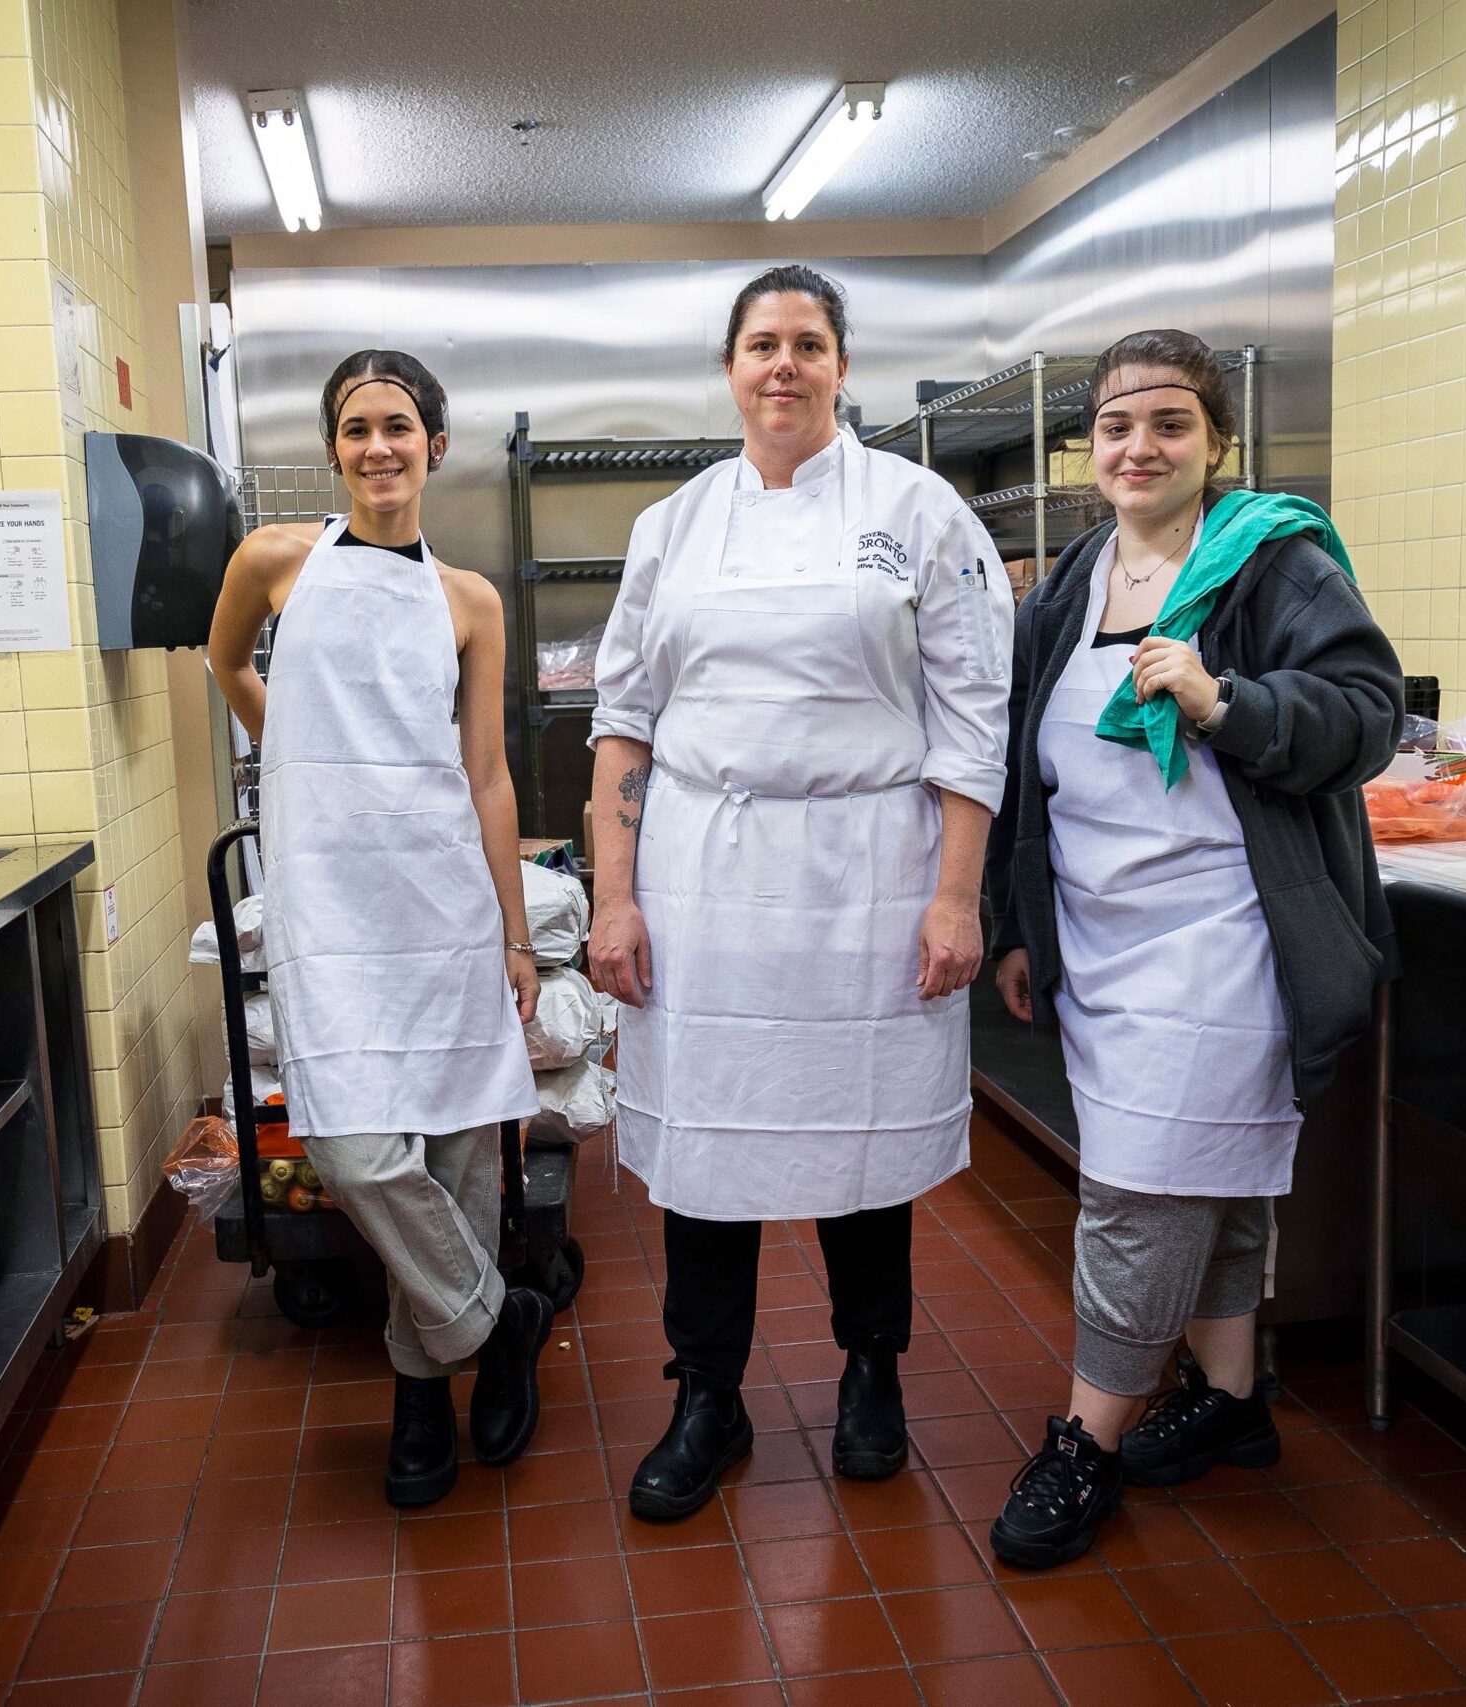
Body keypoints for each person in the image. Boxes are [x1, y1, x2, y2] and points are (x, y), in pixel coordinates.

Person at [585, 266, 1014, 1520]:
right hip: (703, 879)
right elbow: (622, 725)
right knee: (706, 1151)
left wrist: (955, 898)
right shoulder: (672, 526)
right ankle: (705, 1394)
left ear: (840, 365)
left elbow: (970, 721)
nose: (785, 365)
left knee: (861, 1137)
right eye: (762, 343)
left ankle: (870, 1369)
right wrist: (614, 900)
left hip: (868, 872)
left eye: (809, 344)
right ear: (729, 367)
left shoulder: (920, 511)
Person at [981, 329, 1401, 1569]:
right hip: (1104, 940)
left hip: (1226, 936)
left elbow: (1368, 718)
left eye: (1168, 423)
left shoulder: (1273, 563)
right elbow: (1028, 778)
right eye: (1115, 425)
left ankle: (1085, 1438)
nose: (1138, 447)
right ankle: (1227, 1400)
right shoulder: (1067, 589)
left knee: (1138, 1195)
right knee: (1199, 1172)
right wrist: (1021, 925)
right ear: (1089, 447)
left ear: (1214, 441)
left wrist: (1227, 703)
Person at [207, 350, 551, 1508]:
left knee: (456, 1162)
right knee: (356, 1148)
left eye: (397, 426)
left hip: (441, 898)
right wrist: (291, 759)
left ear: (433, 444)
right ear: (334, 447)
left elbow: (490, 774)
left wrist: (513, 934)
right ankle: (503, 1326)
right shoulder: (275, 562)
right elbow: (224, 666)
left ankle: (419, 1399)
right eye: (356, 428)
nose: (378, 447)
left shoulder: (468, 601)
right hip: (329, 903)